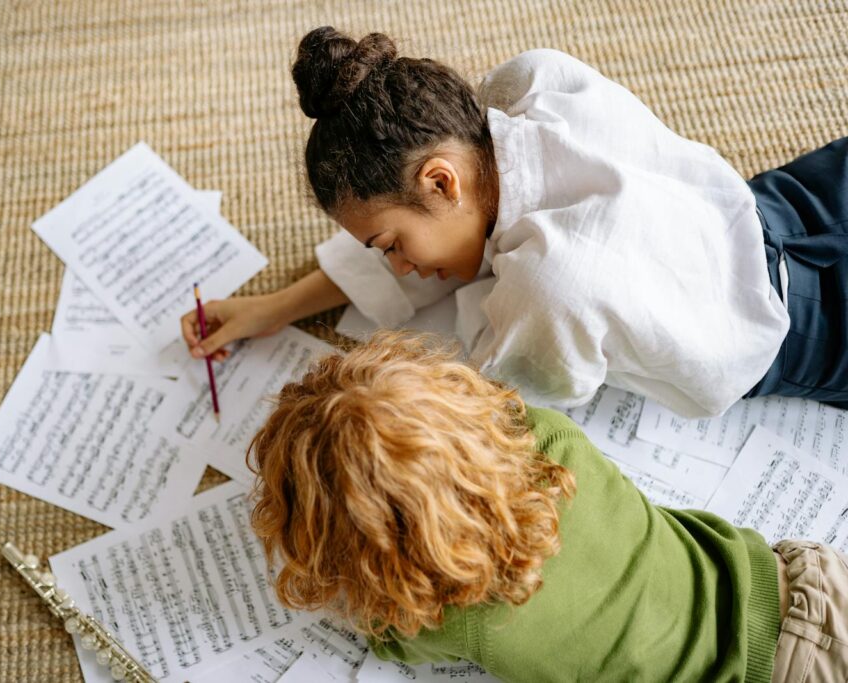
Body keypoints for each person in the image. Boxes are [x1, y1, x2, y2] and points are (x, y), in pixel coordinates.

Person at [180, 26, 848, 418]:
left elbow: (482, 401)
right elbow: (450, 236)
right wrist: (277, 305)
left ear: (442, 181)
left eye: (391, 246)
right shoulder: (532, 82)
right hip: (786, 201)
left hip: (800, 332)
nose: (401, 268)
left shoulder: (547, 288)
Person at [247, 331, 848, 682]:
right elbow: (504, 416)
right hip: (801, 583)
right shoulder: (554, 442)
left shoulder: (451, 618)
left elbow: (386, 636)